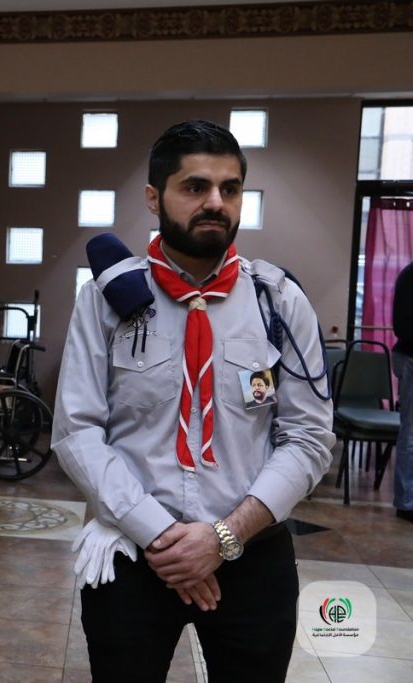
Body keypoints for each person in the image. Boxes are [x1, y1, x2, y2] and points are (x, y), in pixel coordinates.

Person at [51, 120, 334, 682]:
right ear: (154, 197)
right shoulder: (104, 301)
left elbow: (308, 438)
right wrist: (163, 537)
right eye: (195, 187)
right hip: (133, 556)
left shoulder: (279, 301)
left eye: (230, 189)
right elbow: (77, 431)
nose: (216, 203)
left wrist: (222, 539)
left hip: (252, 558)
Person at [393, 261, 413, 522]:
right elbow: (403, 327)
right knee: (411, 433)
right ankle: (406, 503)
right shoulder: (410, 276)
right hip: (410, 358)